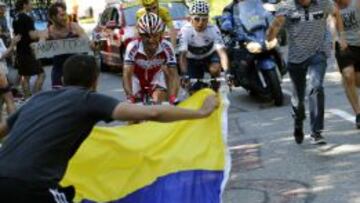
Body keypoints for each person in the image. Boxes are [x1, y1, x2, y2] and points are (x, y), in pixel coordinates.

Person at [0, 54, 219, 202]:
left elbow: (2, 130)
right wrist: (200, 112)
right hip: (31, 188)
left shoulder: (38, 99)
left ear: (64, 79)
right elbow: (152, 112)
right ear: (95, 81)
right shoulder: (87, 99)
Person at [267, 0, 346, 145]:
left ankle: (316, 132)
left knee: (316, 87)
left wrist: (340, 37)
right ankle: (298, 121)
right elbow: (276, 26)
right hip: (296, 57)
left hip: (319, 52)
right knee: (298, 100)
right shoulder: (286, 7)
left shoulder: (323, 3)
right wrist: (270, 36)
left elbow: (336, 13)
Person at [123, 13, 179, 104]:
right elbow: (127, 74)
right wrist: (130, 96)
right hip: (136, 79)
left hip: (155, 78)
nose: (151, 40)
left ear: (160, 34)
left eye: (155, 35)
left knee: (158, 99)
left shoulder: (167, 46)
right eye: (146, 36)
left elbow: (174, 75)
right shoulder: (132, 46)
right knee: (134, 110)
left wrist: (173, 97)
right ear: (140, 35)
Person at [178, 0, 230, 91]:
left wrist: (227, 72)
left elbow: (222, 52)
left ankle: (215, 88)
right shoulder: (185, 30)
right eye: (197, 19)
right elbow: (182, 55)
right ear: (190, 18)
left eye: (204, 19)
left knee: (215, 68)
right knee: (193, 88)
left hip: (209, 56)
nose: (200, 23)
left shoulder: (213, 29)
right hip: (192, 59)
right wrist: (184, 74)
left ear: (208, 18)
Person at [46, 2, 87, 88]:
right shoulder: (48, 32)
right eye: (62, 15)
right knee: (59, 98)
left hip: (76, 71)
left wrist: (90, 43)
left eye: (65, 14)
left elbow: (86, 40)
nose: (65, 17)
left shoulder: (74, 27)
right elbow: (40, 46)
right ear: (53, 17)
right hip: (58, 72)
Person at [334, 0, 360, 129]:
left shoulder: (356, 3)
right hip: (343, 47)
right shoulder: (330, 6)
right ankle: (358, 114)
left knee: (357, 81)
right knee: (348, 76)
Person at [12, 0, 47, 98]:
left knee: (25, 77)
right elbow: (32, 35)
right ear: (24, 5)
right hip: (28, 51)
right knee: (41, 74)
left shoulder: (15, 18)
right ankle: (36, 97)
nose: (31, 5)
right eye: (30, 3)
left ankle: (28, 99)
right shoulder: (27, 18)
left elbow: (16, 35)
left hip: (20, 50)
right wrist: (41, 33)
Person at [0, 31, 20, 121]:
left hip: (3, 72)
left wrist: (12, 46)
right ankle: (14, 126)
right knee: (9, 99)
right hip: (1, 74)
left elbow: (5, 54)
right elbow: (1, 56)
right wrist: (12, 45)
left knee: (7, 100)